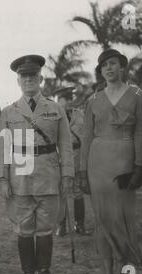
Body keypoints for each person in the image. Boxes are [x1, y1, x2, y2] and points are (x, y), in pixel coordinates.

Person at [0, 55, 74, 274]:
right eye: (24, 76)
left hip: (48, 174)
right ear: (18, 80)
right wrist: (2, 178)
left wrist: (67, 175)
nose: (28, 79)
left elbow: (66, 144)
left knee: (45, 228)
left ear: (41, 78)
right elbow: (2, 147)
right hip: (20, 175)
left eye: (33, 75)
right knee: (24, 228)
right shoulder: (8, 112)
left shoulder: (55, 108)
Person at [80, 49, 142, 274]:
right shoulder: (93, 100)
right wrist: (81, 171)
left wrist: (139, 167)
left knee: (122, 220)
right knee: (103, 221)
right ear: (100, 71)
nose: (109, 69)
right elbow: (87, 136)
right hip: (96, 163)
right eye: (104, 66)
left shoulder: (138, 95)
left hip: (124, 162)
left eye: (113, 64)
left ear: (123, 67)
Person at [53, 86, 91, 237]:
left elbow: (85, 136)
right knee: (60, 192)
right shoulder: (52, 115)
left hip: (76, 156)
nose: (64, 102)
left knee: (78, 192)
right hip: (59, 158)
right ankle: (61, 226)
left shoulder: (79, 115)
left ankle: (79, 225)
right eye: (61, 99)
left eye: (67, 99)